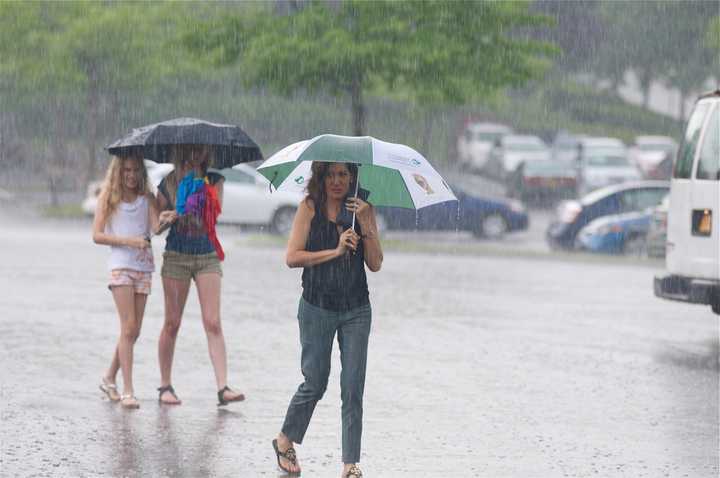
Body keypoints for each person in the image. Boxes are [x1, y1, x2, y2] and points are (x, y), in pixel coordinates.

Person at [272, 161, 383, 478]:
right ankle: (284, 439)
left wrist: (366, 224)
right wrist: (335, 251)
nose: (337, 181)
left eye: (343, 174)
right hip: (317, 305)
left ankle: (350, 464)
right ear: (321, 177)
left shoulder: (362, 209)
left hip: (356, 308)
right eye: (331, 174)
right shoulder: (310, 207)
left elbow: (375, 264)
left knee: (352, 387)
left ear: (352, 177)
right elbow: (292, 257)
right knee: (315, 382)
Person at [155, 144, 245, 406]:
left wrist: (191, 203)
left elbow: (213, 214)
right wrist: (166, 218)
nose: (196, 154)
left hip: (207, 253)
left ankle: (223, 387)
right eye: (191, 149)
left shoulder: (214, 180)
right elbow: (156, 225)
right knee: (172, 322)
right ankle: (165, 386)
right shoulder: (168, 183)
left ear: (207, 153)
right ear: (181, 151)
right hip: (177, 255)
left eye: (201, 150)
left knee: (213, 322)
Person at [93, 150, 171, 409]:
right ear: (118, 172)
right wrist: (128, 241)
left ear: (141, 172)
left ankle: (108, 377)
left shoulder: (146, 197)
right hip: (120, 266)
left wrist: (167, 218)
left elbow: (154, 228)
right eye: (125, 170)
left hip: (144, 267)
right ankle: (128, 390)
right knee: (128, 327)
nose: (130, 175)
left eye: (135, 170)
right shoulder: (108, 198)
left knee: (133, 330)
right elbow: (97, 235)